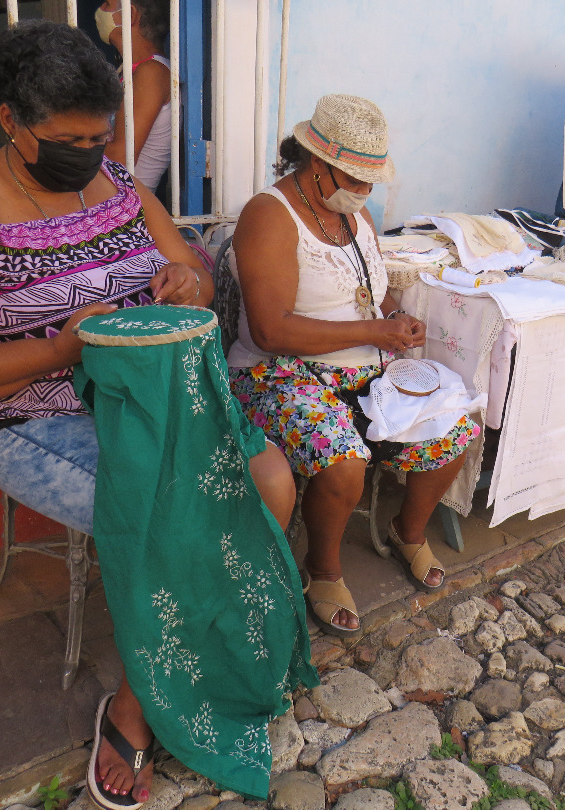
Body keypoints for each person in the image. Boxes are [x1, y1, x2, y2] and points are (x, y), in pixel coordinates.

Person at [0, 21, 303, 808]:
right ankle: (137, 701)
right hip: (30, 416)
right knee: (182, 514)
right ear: (11, 120)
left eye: (101, 135)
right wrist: (56, 351)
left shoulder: (117, 187)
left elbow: (185, 266)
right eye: (69, 138)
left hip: (146, 396)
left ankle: (215, 660)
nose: (88, 152)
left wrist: (184, 281)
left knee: (272, 477)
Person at [228, 94, 481, 637]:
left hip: (361, 367)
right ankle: (323, 569)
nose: (365, 190)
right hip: (278, 375)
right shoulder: (269, 214)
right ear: (316, 162)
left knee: (457, 424)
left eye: (371, 180)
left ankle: (406, 531)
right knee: (344, 461)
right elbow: (270, 332)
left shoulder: (353, 213)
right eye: (355, 177)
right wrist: (377, 331)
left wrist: (394, 316)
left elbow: (370, 292)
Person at [96, 0, 171, 191]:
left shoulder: (151, 72)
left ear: (129, 14)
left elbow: (121, 156)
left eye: (107, 4)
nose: (100, 11)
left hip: (128, 209)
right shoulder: (131, 71)